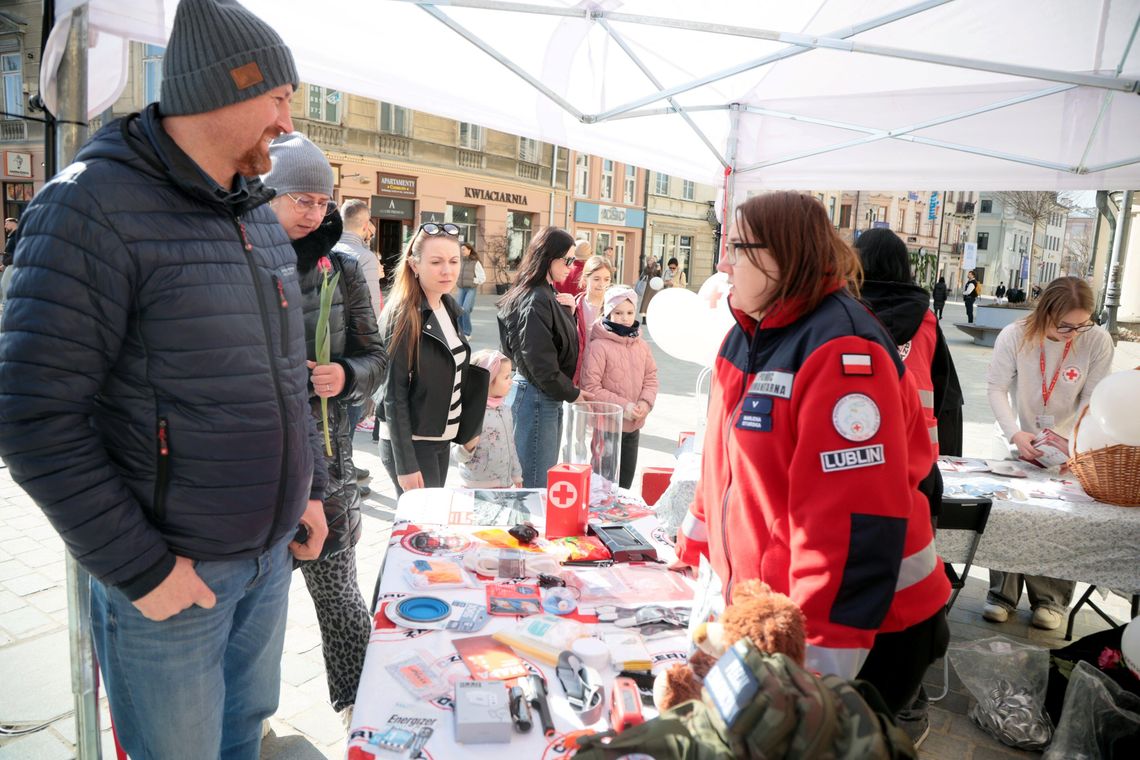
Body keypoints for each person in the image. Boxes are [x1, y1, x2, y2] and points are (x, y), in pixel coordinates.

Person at [0, 1, 329, 757]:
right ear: (221, 89)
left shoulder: (252, 214)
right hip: (173, 579)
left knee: (243, 737)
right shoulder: (88, 207)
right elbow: (33, 419)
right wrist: (143, 571)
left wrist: (309, 490)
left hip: (268, 560)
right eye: (277, 98)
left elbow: (286, 378)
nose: (287, 122)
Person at [673, 192, 949, 720]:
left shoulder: (845, 353)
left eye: (737, 248)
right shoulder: (745, 336)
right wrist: (703, 567)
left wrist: (815, 669)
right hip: (774, 616)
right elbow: (723, 470)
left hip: (863, 630)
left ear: (784, 255)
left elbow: (851, 528)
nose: (723, 264)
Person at [263, 134, 385, 724]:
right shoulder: (244, 264)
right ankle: (251, 715)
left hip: (329, 466)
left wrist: (346, 374)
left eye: (322, 201)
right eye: (300, 200)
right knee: (257, 614)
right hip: (257, 476)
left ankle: (356, 712)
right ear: (268, 198)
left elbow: (376, 356)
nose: (314, 213)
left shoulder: (342, 270)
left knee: (339, 599)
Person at [983, 276, 1114, 630]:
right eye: (1065, 325)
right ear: (1046, 314)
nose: (1073, 333)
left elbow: (1092, 398)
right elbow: (996, 388)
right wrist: (1015, 434)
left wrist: (1065, 438)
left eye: (1081, 324)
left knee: (1059, 517)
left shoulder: (1097, 340)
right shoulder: (1015, 335)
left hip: (1067, 442)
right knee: (1010, 513)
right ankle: (1001, 594)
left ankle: (1051, 600)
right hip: (1017, 437)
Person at [378, 222, 480, 496]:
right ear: (414, 264)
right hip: (413, 443)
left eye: (453, 260)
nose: (447, 270)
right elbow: (393, 395)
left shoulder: (447, 305)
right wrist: (406, 464)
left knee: (431, 526)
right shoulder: (403, 316)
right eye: (436, 262)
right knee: (423, 528)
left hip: (440, 437)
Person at [498, 227, 589, 487]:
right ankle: (529, 528)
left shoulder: (543, 292)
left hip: (544, 394)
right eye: (567, 260)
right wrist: (572, 393)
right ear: (549, 258)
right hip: (538, 395)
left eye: (574, 261)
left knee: (539, 476)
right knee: (535, 482)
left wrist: (569, 313)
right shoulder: (536, 296)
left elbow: (553, 342)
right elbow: (538, 361)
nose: (571, 267)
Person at [580, 286, 659, 489]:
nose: (625, 318)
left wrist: (644, 402)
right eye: (618, 312)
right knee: (603, 484)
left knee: (624, 484)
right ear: (608, 312)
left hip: (633, 425)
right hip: (607, 428)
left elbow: (651, 376)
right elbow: (592, 387)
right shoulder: (599, 346)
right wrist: (625, 406)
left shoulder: (641, 345)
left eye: (629, 312)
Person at [335, 198, 383, 460]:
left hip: (329, 340)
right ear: (365, 225)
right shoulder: (364, 257)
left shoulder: (329, 247)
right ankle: (347, 465)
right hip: (355, 344)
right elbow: (372, 309)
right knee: (352, 403)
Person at [454, 350, 523, 488]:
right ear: (488, 381)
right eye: (506, 377)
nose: (511, 381)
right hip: (476, 487)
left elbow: (511, 445)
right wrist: (467, 447)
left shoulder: (505, 409)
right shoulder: (471, 412)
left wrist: (517, 475)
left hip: (504, 484)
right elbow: (457, 456)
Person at [573, 255, 616, 382]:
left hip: (606, 374)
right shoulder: (574, 306)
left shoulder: (614, 308)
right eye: (596, 279)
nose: (602, 284)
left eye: (606, 279)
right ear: (586, 279)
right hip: (578, 372)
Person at [456, 241, 485, 339]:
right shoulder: (459, 261)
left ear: (469, 250)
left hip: (471, 289)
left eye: (464, 249)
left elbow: (482, 277)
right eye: (461, 250)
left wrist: (473, 280)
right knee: (459, 310)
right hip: (461, 288)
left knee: (465, 309)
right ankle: (460, 331)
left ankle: (467, 333)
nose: (462, 251)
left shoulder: (475, 262)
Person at [0, 217, 17, 304]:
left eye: (6, 223)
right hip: (10, 263)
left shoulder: (18, 235)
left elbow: (17, 252)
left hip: (14, 264)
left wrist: (5, 263)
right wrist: (4, 265)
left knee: (5, 283)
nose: (5, 226)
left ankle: (6, 305)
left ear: (12, 223)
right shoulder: (12, 235)